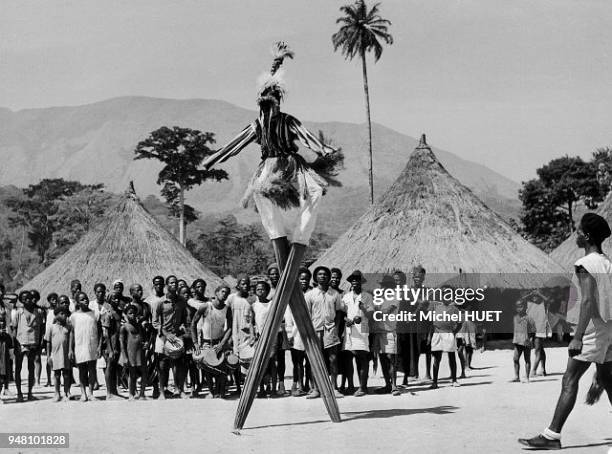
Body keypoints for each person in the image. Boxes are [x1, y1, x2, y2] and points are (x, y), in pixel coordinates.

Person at [204, 41, 341, 429]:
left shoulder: (285, 120)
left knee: (315, 193)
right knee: (269, 211)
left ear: (276, 99)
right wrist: (214, 159)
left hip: (290, 171)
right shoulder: (258, 125)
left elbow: (310, 140)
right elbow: (234, 145)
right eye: (264, 98)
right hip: (269, 175)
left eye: (271, 97)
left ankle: (297, 243)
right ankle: (292, 246)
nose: (267, 103)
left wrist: (323, 148)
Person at [519, 213, 612, 450]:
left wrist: (578, 337)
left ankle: (551, 436)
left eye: (580, 231)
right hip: (608, 328)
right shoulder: (606, 262)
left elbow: (588, 302)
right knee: (608, 381)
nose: (577, 234)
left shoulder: (585, 265)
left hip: (592, 330)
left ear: (588, 236)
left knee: (569, 380)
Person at [304, 266, 344, 399]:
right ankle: (316, 388)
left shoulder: (335, 294)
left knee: (333, 359)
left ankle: (334, 388)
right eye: (320, 274)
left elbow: (338, 312)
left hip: (330, 329)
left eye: (325, 275)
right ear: (315, 277)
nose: (322, 276)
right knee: (316, 360)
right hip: (315, 330)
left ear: (328, 277)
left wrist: (337, 328)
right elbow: (306, 313)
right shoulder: (310, 295)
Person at [191, 285, 233, 398]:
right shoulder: (206, 306)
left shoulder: (227, 309)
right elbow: (193, 323)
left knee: (222, 366)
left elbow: (230, 327)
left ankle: (221, 391)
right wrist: (195, 343)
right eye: (222, 292)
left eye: (227, 293)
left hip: (219, 341)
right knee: (208, 367)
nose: (224, 294)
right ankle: (211, 391)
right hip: (206, 342)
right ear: (216, 292)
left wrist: (222, 343)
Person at [153, 275, 188, 399]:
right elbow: (155, 322)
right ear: (167, 285)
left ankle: (180, 390)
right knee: (162, 365)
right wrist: (166, 334)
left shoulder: (182, 301)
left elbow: (184, 318)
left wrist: (183, 326)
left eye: (176, 283)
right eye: (171, 283)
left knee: (180, 364)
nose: (174, 285)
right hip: (163, 336)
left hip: (177, 336)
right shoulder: (160, 302)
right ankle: (162, 392)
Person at [342, 270, 373, 397]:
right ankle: (351, 386)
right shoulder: (346, 297)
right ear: (350, 282)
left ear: (361, 282)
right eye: (353, 280)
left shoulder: (367, 296)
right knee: (350, 357)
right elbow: (342, 313)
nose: (355, 282)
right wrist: (347, 320)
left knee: (362, 358)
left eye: (357, 279)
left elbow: (371, 315)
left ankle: (363, 387)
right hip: (349, 330)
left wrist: (363, 309)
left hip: (362, 330)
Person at [12, 290, 44, 401]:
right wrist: (14, 343)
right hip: (20, 343)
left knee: (31, 368)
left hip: (33, 344)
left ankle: (30, 393)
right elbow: (14, 329)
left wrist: (40, 342)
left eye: (29, 298)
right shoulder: (18, 313)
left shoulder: (38, 312)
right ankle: (19, 394)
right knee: (18, 368)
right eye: (25, 299)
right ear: (21, 301)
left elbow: (41, 328)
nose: (28, 300)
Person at [372, 275, 401, 396]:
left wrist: (374, 312)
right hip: (379, 332)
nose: (384, 287)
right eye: (383, 285)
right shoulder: (379, 298)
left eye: (387, 285)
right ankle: (387, 385)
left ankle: (394, 385)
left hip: (389, 331)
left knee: (391, 359)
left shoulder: (395, 297)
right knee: (383, 359)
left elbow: (387, 311)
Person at [428, 287, 461, 389]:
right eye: (443, 294)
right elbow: (432, 324)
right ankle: (435, 382)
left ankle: (454, 380)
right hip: (437, 334)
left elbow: (459, 323)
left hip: (448, 334)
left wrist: (453, 333)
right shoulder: (436, 307)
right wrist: (430, 336)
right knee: (436, 358)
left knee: (452, 357)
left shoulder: (455, 309)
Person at [285, 267, 311, 396]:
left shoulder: (312, 294)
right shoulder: (292, 295)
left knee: (310, 361)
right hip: (296, 334)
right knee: (297, 362)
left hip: (310, 333)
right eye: (301, 279)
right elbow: (288, 317)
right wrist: (290, 334)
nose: (304, 281)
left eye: (306, 279)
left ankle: (308, 384)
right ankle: (298, 384)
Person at [69, 292, 100, 402]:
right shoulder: (73, 316)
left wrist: (99, 346)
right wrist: (70, 349)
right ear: (77, 302)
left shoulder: (94, 314)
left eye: (86, 298)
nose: (85, 301)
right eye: (82, 299)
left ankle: (91, 393)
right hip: (79, 345)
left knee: (92, 369)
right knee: (82, 370)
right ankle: (83, 394)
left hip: (92, 344)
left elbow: (99, 331)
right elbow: (72, 333)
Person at [230, 276, 255, 395]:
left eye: (247, 284)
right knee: (234, 361)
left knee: (246, 361)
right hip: (233, 333)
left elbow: (251, 320)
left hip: (245, 335)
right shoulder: (231, 298)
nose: (245, 286)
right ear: (238, 285)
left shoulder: (249, 301)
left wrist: (252, 334)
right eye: (243, 283)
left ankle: (247, 387)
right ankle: (238, 388)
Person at [394, 269, 417, 386]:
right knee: (394, 352)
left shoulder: (408, 292)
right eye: (395, 280)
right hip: (393, 326)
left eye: (399, 280)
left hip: (405, 327)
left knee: (406, 352)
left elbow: (416, 307)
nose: (397, 282)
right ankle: (392, 381)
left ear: (403, 280)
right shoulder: (390, 293)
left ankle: (406, 378)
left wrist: (410, 317)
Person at [145, 276, 166, 399]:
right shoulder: (148, 300)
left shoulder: (167, 298)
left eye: (161, 284)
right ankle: (155, 387)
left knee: (164, 362)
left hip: (166, 333)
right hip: (153, 334)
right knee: (154, 362)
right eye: (156, 284)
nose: (159, 286)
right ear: (153, 285)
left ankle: (164, 387)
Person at [119, 304, 146, 400]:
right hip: (131, 352)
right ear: (125, 314)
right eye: (130, 313)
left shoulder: (139, 326)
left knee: (144, 372)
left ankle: (142, 394)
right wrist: (124, 357)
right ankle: (131, 394)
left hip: (140, 351)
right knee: (132, 374)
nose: (133, 315)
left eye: (134, 313)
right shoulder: (124, 327)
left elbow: (143, 338)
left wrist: (145, 344)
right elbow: (121, 342)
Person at [45, 306, 72, 402]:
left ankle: (66, 392)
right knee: (56, 374)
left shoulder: (68, 327)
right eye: (62, 314)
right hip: (55, 354)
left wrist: (70, 351)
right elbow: (48, 342)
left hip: (65, 354)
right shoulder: (51, 327)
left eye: (66, 314)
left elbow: (70, 341)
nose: (64, 316)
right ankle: (57, 393)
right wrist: (48, 356)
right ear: (56, 315)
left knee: (66, 374)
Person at [101, 291, 123, 400]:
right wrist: (110, 349)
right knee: (109, 367)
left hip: (117, 344)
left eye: (118, 298)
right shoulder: (108, 313)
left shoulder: (118, 311)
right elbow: (105, 332)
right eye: (114, 298)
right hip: (110, 345)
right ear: (109, 299)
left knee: (114, 368)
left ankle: (114, 391)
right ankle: (109, 393)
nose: (116, 300)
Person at [412, 266, 432, 381]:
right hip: (413, 324)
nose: (418, 278)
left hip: (426, 323)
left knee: (428, 349)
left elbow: (430, 307)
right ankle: (415, 373)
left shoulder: (427, 291)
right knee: (415, 349)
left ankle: (428, 374)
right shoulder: (409, 291)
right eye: (416, 276)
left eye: (420, 276)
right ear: (413, 277)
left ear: (424, 278)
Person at [512, 298, 536, 383]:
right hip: (517, 341)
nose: (519, 308)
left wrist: (530, 340)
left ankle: (527, 377)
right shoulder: (515, 317)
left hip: (526, 342)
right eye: (517, 307)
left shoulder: (529, 318)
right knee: (515, 359)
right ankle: (517, 376)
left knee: (527, 359)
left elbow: (533, 331)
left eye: (521, 306)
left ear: (525, 307)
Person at [527, 290, 550, 377]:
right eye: (533, 297)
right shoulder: (529, 303)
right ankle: (543, 370)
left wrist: (539, 293)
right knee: (540, 349)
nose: (534, 298)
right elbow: (520, 299)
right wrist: (531, 293)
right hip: (532, 329)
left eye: (536, 297)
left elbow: (548, 300)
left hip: (540, 328)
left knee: (538, 350)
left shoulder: (543, 303)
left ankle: (533, 370)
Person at [0, 307, 14, 403]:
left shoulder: (7, 336)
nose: (2, 323)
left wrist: (10, 358)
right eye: (0, 321)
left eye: (3, 321)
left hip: (3, 363)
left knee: (1, 379)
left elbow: (10, 350)